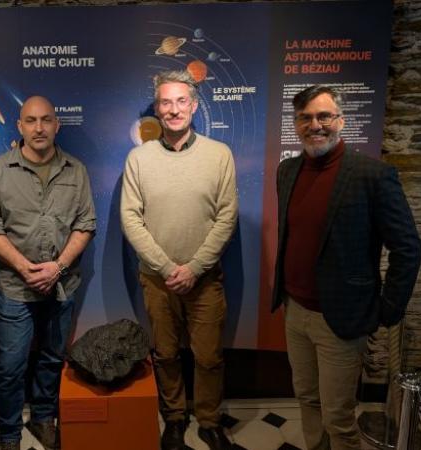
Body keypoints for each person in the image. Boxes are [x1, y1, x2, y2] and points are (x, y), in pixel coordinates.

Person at [271, 85, 421, 450]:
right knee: (306, 398)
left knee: (338, 416)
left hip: (341, 319)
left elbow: (408, 247)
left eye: (324, 116)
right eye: (305, 118)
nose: (315, 125)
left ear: (341, 120)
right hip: (295, 311)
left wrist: (388, 309)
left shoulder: (372, 175)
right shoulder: (287, 171)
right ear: (296, 124)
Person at [121, 70, 238, 450]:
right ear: (157, 108)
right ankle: (173, 418)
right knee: (166, 354)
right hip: (158, 280)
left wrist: (194, 268)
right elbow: (130, 220)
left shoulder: (220, 155)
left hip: (204, 278)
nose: (174, 110)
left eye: (181, 101)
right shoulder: (139, 159)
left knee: (209, 357)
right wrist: (170, 269)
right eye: (166, 103)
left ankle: (209, 420)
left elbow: (227, 217)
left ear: (194, 105)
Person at [0, 95, 96, 450]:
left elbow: (86, 224)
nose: (39, 127)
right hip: (16, 287)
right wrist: (24, 267)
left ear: (57, 125)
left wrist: (57, 267)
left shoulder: (76, 170)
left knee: (51, 358)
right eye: (31, 120)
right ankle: (10, 433)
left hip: (62, 286)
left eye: (46, 120)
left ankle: (44, 418)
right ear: (20, 126)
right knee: (10, 366)